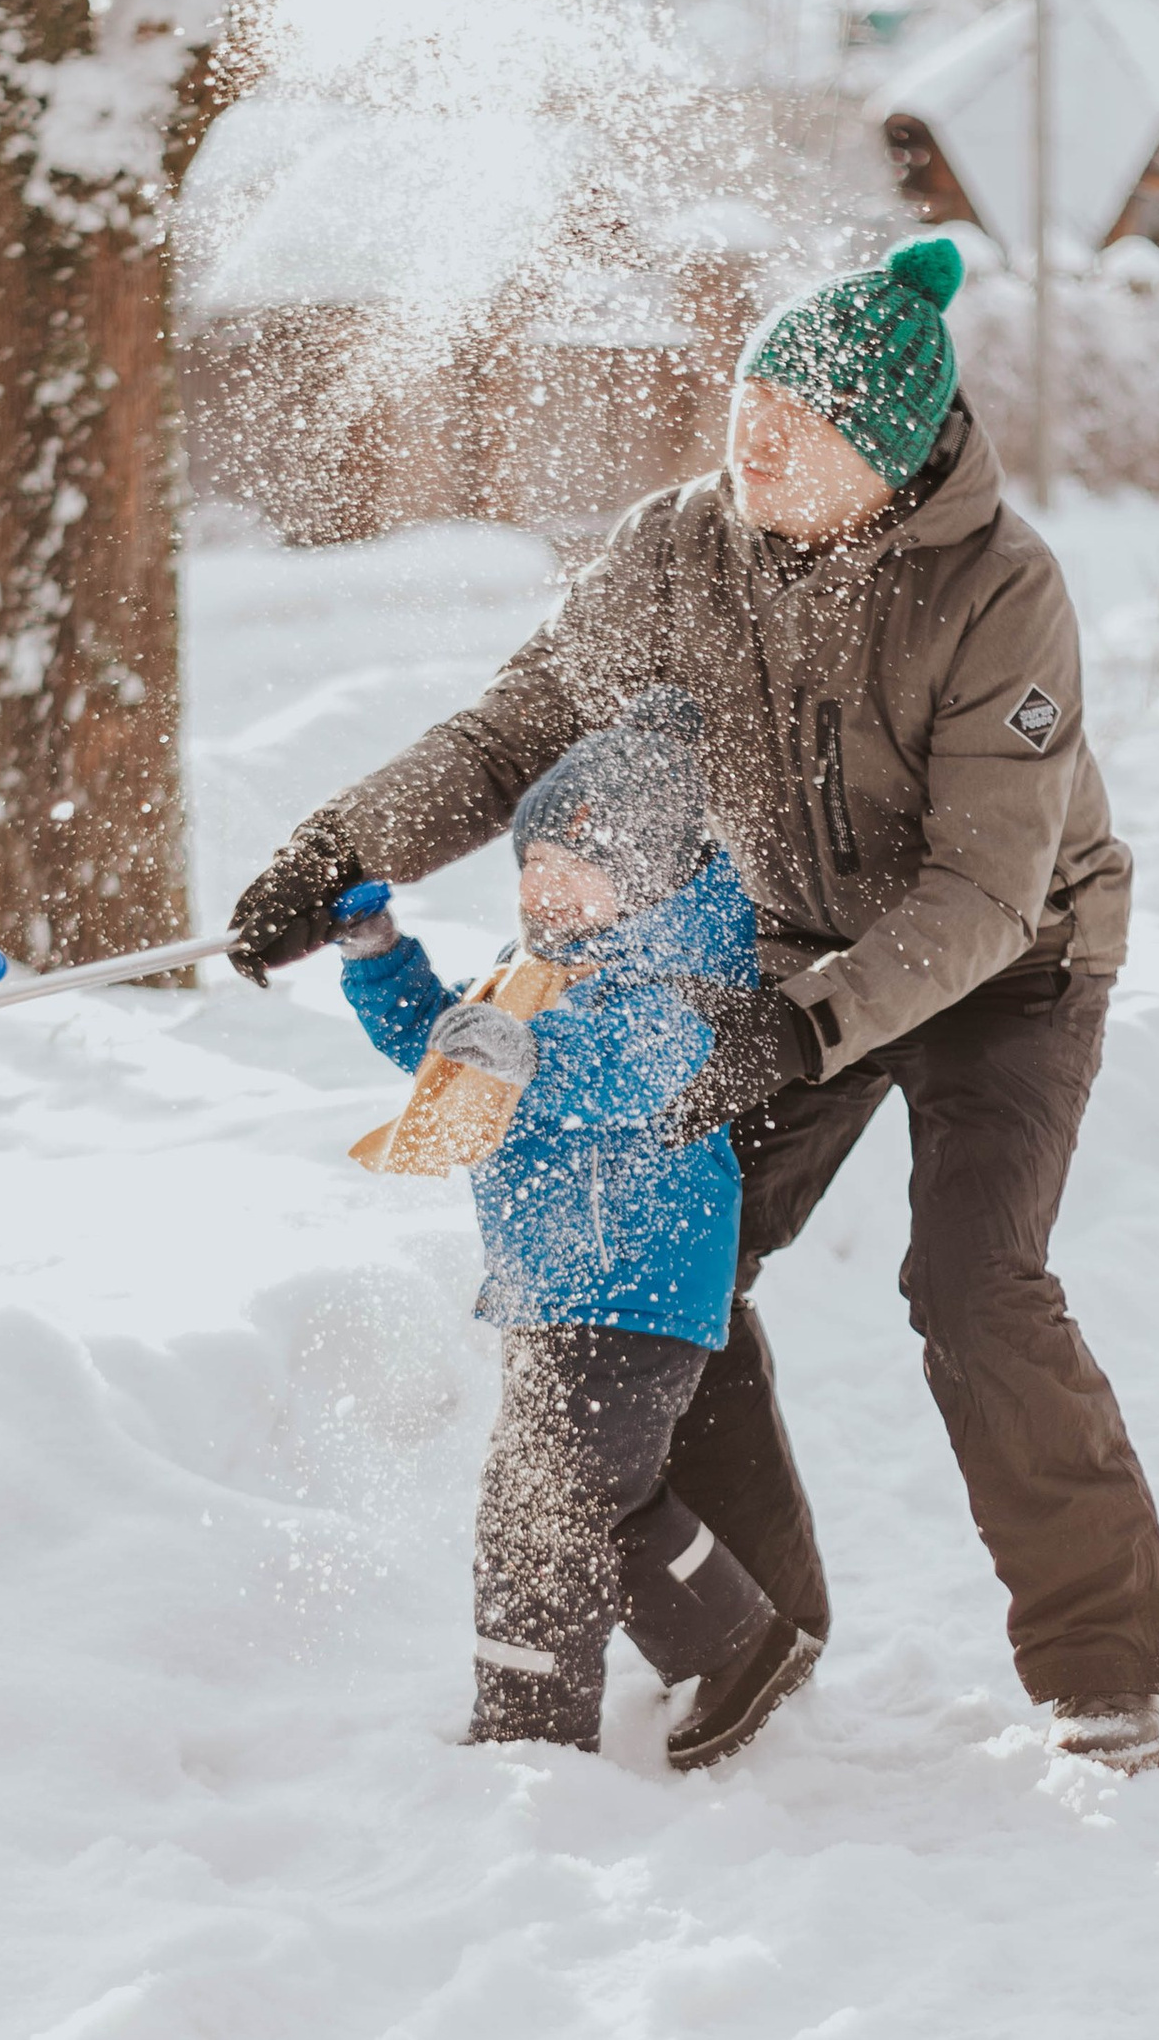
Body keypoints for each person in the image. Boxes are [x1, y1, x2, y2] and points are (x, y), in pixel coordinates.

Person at [232, 235, 1159, 1774]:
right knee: (680, 1249)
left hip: (1007, 966)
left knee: (974, 1283)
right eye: (752, 397)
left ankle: (1104, 1663)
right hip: (788, 955)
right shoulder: (678, 550)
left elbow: (984, 888)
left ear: (880, 457)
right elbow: (509, 734)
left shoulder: (1001, 591)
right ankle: (758, 1624)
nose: (756, 436)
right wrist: (342, 847)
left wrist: (798, 1024)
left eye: (798, 423)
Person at [333, 690, 823, 1769]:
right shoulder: (536, 971)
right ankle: (738, 1647)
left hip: (634, 1281)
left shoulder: (684, 977)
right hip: (558, 1286)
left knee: (538, 1509)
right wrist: (379, 957)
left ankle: (528, 1736)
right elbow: (444, 1045)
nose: (545, 883)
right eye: (533, 860)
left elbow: (638, 1066)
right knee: (596, 1497)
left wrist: (532, 1055)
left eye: (579, 862)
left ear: (644, 874)